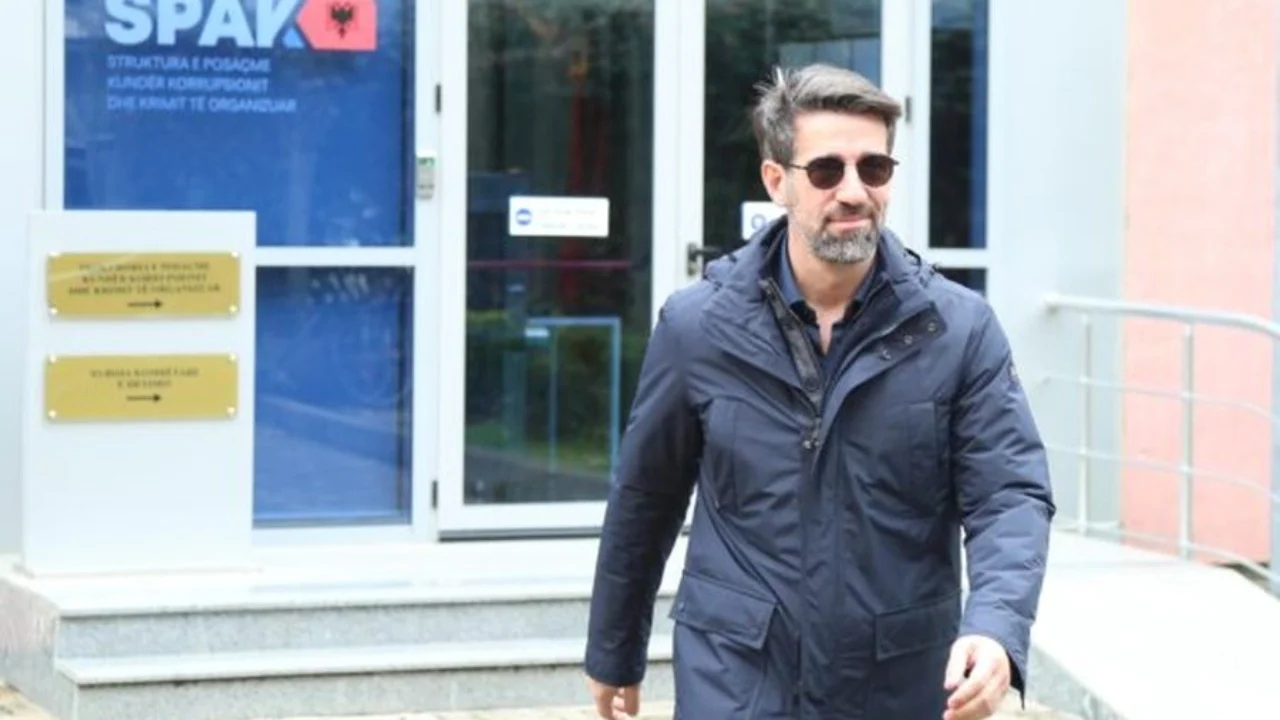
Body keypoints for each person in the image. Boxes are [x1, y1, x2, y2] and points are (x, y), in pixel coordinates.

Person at [582, 63, 1055, 720]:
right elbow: (646, 497)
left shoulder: (958, 330)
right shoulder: (698, 328)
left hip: (898, 684)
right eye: (828, 170)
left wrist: (996, 629)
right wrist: (613, 649)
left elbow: (1009, 495)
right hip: (738, 680)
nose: (854, 192)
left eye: (875, 168)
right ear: (776, 180)